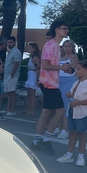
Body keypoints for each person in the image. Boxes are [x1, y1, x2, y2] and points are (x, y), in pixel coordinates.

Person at [31, 20, 73, 154]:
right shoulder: (52, 45)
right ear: (57, 30)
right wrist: (61, 67)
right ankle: (46, 139)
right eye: (63, 28)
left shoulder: (55, 46)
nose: (66, 30)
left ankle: (36, 140)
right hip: (49, 84)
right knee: (60, 112)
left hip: (49, 83)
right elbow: (45, 65)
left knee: (46, 112)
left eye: (67, 28)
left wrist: (62, 69)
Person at [56, 62, 87, 167]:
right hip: (72, 110)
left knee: (82, 133)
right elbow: (72, 95)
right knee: (72, 132)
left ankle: (81, 156)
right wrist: (69, 95)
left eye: (79, 69)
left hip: (82, 112)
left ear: (86, 70)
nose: (77, 71)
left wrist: (79, 102)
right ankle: (69, 155)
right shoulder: (76, 83)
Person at [57, 40, 79, 139]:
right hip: (59, 82)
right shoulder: (60, 58)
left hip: (68, 81)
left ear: (72, 47)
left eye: (69, 46)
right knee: (59, 105)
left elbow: (73, 68)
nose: (66, 48)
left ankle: (65, 130)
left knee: (66, 106)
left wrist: (64, 67)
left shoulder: (74, 58)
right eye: (65, 46)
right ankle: (59, 127)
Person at [4, 36, 22, 116]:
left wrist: (12, 75)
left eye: (11, 42)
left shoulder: (16, 52)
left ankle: (12, 110)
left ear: (14, 43)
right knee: (8, 93)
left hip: (12, 75)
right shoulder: (9, 52)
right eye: (8, 42)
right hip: (7, 75)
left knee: (12, 92)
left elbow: (16, 63)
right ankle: (8, 108)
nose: (9, 44)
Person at [24, 42, 41, 117]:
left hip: (33, 75)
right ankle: (28, 110)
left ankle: (32, 111)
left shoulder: (35, 58)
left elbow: (38, 69)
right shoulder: (31, 57)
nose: (28, 49)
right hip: (30, 74)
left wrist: (38, 79)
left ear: (34, 49)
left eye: (30, 47)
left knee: (32, 94)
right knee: (29, 94)